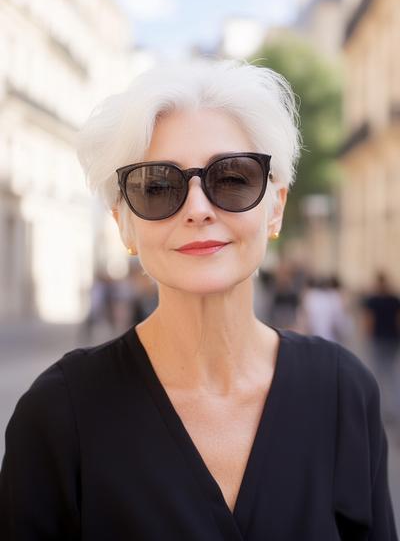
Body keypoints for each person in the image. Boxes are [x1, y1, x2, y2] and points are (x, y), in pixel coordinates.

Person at [0, 59, 397, 540]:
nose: (198, 210)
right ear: (123, 224)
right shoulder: (58, 414)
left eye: (232, 178)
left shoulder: (342, 392)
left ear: (276, 209)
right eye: (157, 186)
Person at [361, 272, 400, 426]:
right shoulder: (394, 299)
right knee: (391, 373)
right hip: (392, 339)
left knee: (377, 372)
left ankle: (379, 407)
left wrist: (367, 336)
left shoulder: (373, 300)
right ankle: (393, 407)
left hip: (379, 338)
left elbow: (369, 320)